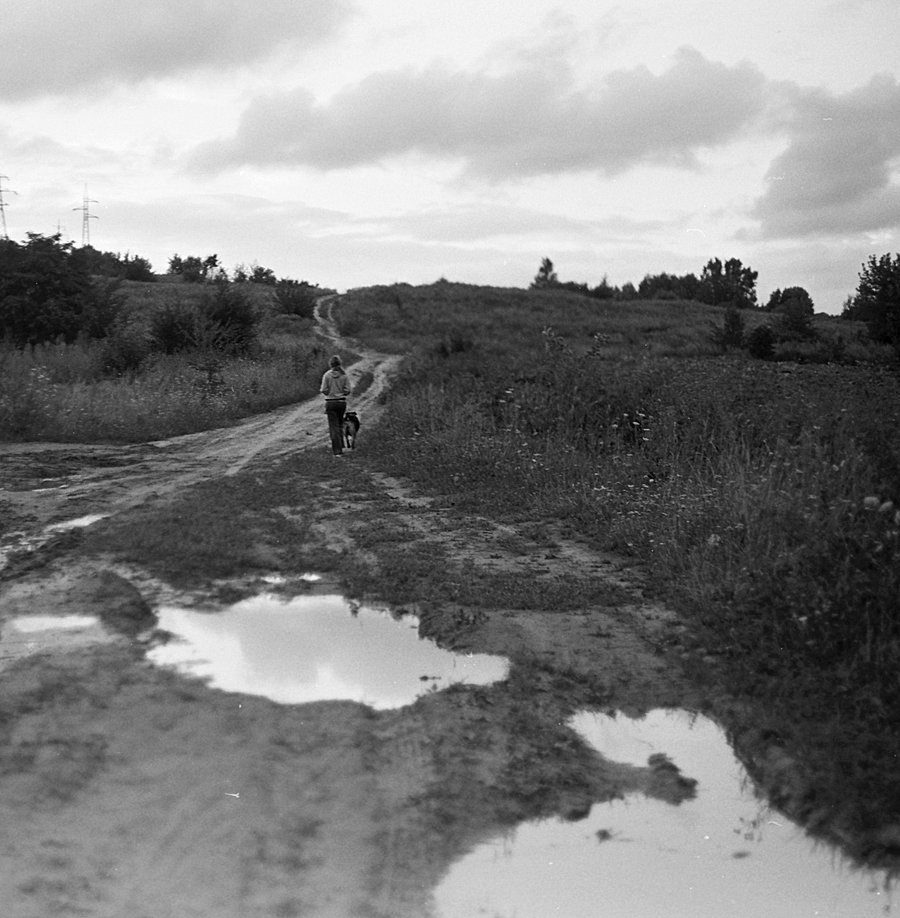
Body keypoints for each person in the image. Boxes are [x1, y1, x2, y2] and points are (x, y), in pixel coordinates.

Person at [321, 355, 352, 456]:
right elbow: (348, 390)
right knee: (339, 424)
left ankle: (337, 451)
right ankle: (342, 445)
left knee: (333, 427)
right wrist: (341, 392)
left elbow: (324, 390)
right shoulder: (344, 375)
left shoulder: (327, 375)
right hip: (341, 402)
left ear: (330, 364)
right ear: (340, 363)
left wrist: (330, 391)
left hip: (330, 402)